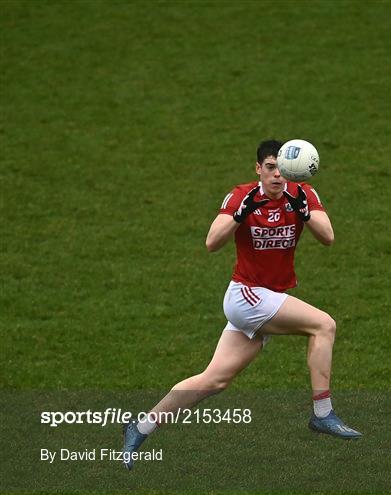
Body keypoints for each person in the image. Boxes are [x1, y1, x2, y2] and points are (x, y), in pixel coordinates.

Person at [122, 139, 361, 470]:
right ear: (258, 169)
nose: (276, 175)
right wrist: (240, 213)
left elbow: (328, 237)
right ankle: (323, 413)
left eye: (281, 168)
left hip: (268, 298)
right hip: (247, 295)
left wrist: (304, 210)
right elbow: (211, 242)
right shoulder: (242, 196)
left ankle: (140, 427)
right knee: (324, 325)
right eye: (269, 167)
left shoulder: (303, 195)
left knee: (214, 380)